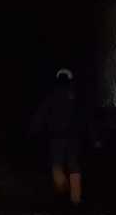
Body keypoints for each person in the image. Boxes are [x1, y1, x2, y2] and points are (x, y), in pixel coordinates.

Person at [30, 68, 97, 206]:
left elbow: (40, 115)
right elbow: (86, 119)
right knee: (74, 165)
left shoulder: (51, 98)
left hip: (56, 137)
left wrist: (34, 131)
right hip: (73, 137)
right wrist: (94, 137)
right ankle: (75, 198)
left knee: (56, 164)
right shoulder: (76, 99)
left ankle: (62, 188)